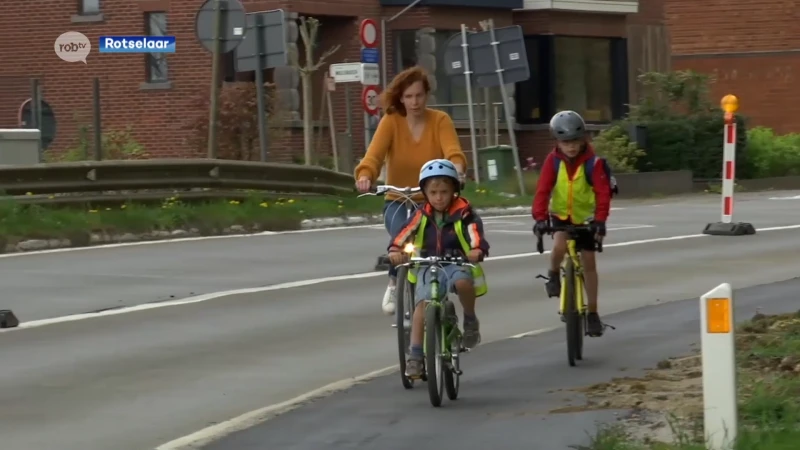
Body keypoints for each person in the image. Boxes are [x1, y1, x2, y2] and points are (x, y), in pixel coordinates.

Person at [354, 66, 468, 315]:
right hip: (398, 198)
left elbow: (453, 152)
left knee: (435, 242)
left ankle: (450, 277)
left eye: (418, 95)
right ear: (400, 98)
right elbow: (374, 156)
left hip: (432, 198)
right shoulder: (391, 121)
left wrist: (458, 171)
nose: (414, 102)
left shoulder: (440, 120)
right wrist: (365, 175)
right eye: (408, 96)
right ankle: (394, 283)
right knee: (401, 238)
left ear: (426, 95)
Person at [387, 159, 490, 378]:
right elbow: (405, 232)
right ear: (425, 192)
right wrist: (395, 249)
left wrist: (476, 249)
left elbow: (474, 233)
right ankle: (415, 356)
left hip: (456, 262)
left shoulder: (464, 212)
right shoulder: (421, 213)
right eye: (433, 192)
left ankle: (470, 319)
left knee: (463, 282)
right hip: (427, 264)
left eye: (444, 191)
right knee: (421, 307)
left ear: (454, 190)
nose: (439, 197)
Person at [531, 110, 611, 337]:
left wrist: (600, 221)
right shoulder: (552, 161)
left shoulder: (593, 163)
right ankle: (554, 273)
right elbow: (543, 190)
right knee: (558, 247)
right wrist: (539, 218)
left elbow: (602, 193)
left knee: (589, 264)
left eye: (575, 141)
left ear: (583, 138)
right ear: (557, 142)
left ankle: (593, 313)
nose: (571, 147)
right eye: (565, 142)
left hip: (586, 219)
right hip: (560, 216)